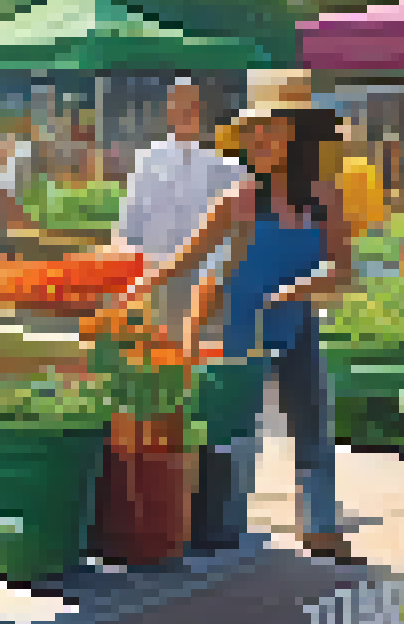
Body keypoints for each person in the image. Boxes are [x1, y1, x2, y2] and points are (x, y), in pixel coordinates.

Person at [121, 69, 357, 563]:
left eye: (269, 129)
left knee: (311, 424)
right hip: (244, 331)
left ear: (296, 134)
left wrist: (300, 289)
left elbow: (341, 269)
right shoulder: (239, 200)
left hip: (297, 326)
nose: (258, 140)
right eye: (253, 131)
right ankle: (223, 522)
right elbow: (193, 263)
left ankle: (320, 527)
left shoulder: (325, 199)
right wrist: (139, 288)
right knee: (233, 431)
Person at [115, 78, 252, 351]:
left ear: (203, 110)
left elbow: (236, 239)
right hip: (153, 283)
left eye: (193, 105)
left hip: (207, 290)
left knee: (199, 361)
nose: (187, 112)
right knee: (155, 361)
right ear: (169, 110)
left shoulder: (230, 167)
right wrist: (124, 277)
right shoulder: (148, 161)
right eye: (179, 105)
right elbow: (129, 227)